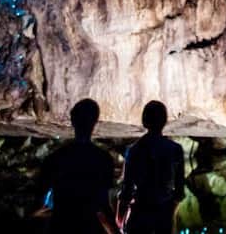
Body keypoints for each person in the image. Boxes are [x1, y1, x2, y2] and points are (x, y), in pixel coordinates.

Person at [38, 98, 117, 234]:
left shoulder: (55, 158)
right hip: (89, 227)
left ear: (72, 120)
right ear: (95, 122)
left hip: (61, 225)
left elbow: (41, 199)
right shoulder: (103, 159)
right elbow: (103, 206)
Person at [116, 101, 185, 234]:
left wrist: (120, 217)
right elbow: (179, 191)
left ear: (144, 121)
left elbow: (127, 190)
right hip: (163, 214)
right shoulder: (175, 149)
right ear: (164, 121)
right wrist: (171, 214)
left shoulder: (134, 150)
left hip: (140, 213)